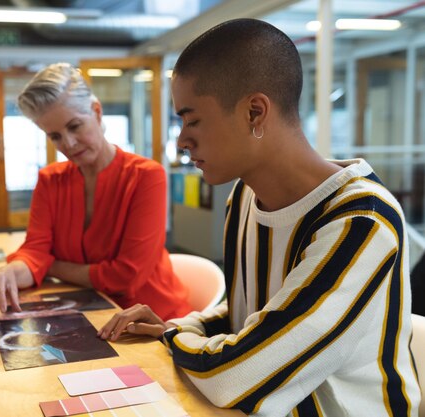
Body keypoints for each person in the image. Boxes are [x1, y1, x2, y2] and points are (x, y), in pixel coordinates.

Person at [98, 19, 421, 416]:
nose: (182, 140)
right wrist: (175, 328)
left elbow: (237, 377)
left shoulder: (362, 221)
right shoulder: (245, 197)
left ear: (255, 111)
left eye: (192, 119)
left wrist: (173, 339)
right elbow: (248, 316)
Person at [0, 63, 191, 321]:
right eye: (55, 136)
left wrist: (49, 265)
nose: (68, 143)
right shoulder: (49, 180)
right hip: (86, 313)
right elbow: (34, 251)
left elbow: (126, 278)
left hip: (151, 319)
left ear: (96, 112)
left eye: (74, 126)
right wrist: (11, 271)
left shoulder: (146, 176)